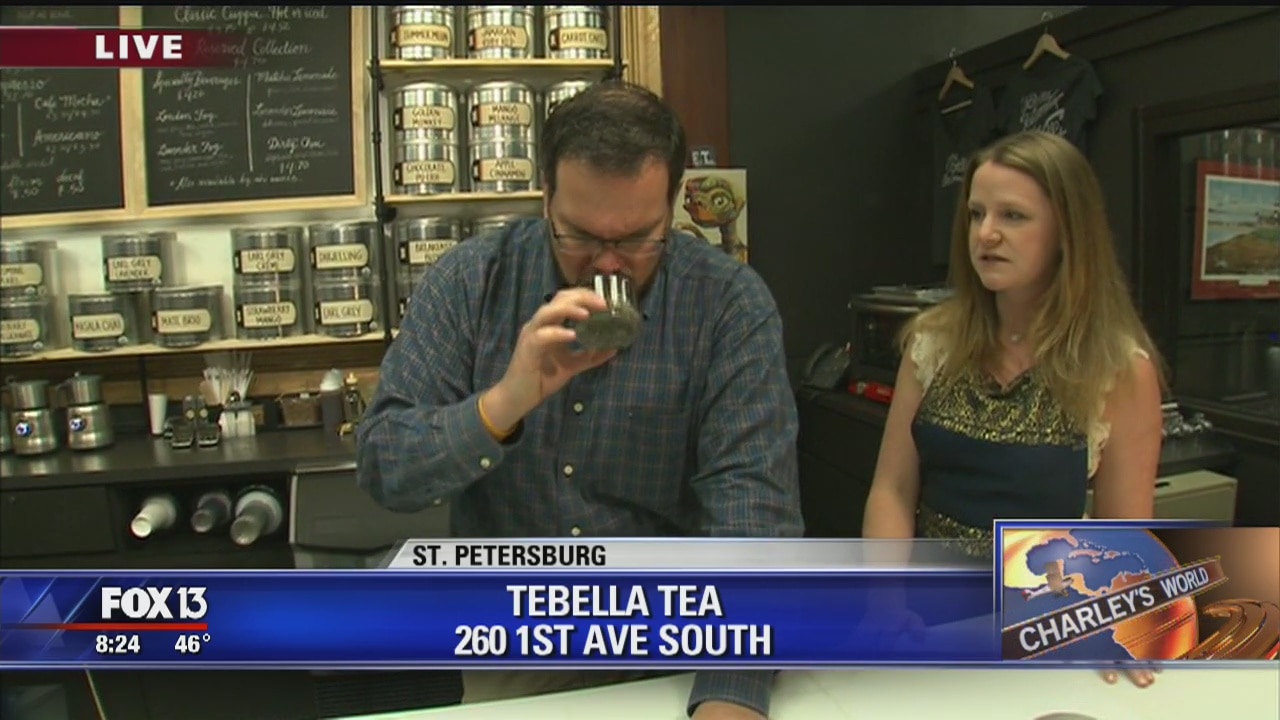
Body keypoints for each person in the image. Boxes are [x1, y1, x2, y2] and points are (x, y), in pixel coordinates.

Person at [356, 80, 802, 720]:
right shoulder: (470, 281)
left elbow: (753, 511)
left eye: (639, 238)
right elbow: (385, 469)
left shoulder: (728, 303)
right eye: (582, 237)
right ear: (546, 198)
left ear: (672, 205)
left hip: (676, 646)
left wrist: (731, 692)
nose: (609, 264)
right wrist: (503, 404)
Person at [861, 131, 1165, 687]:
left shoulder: (1118, 369)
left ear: (1067, 232)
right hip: (928, 622)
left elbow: (1123, 529)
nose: (986, 234)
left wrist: (1118, 619)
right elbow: (893, 489)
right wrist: (884, 602)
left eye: (1013, 216)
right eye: (977, 214)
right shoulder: (933, 343)